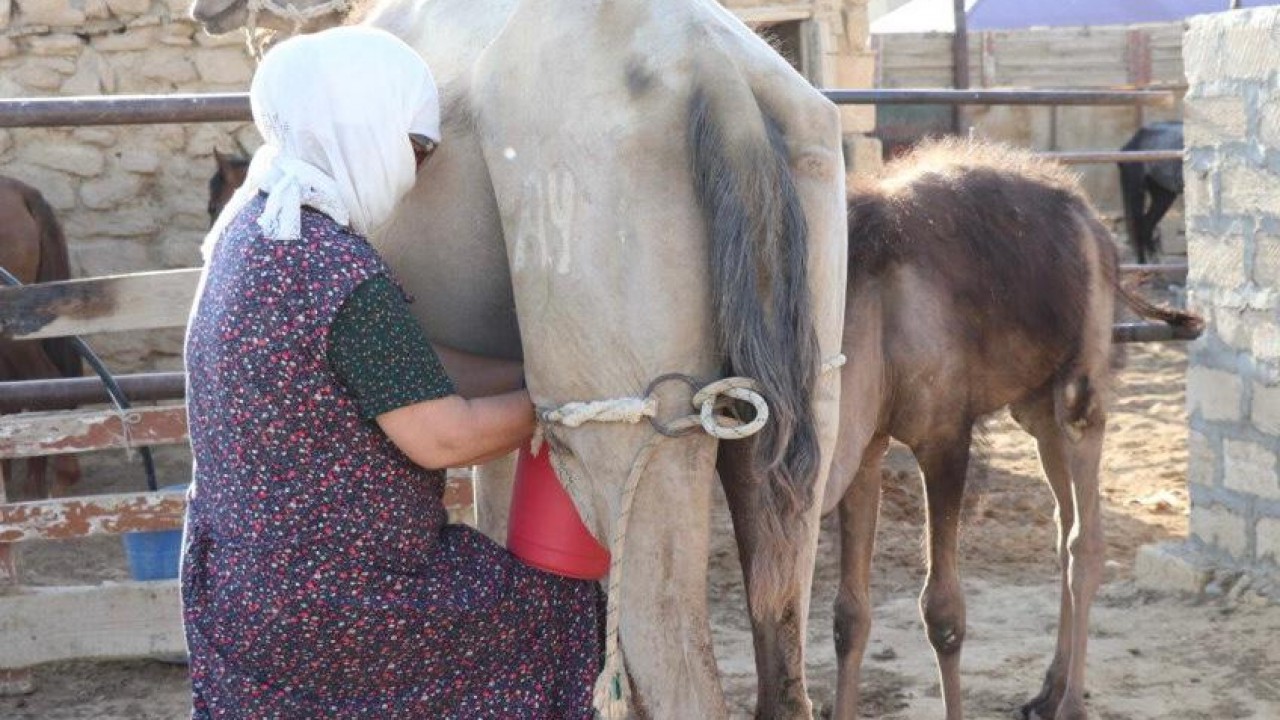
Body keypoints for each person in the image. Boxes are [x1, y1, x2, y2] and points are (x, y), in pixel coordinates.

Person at [181, 26, 602, 719]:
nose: (415, 173)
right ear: (362, 130)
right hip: (349, 602)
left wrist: (536, 369)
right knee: (555, 612)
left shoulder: (254, 235)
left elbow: (410, 368)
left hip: (244, 593)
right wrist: (564, 399)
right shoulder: (337, 267)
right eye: (415, 149)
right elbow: (443, 437)